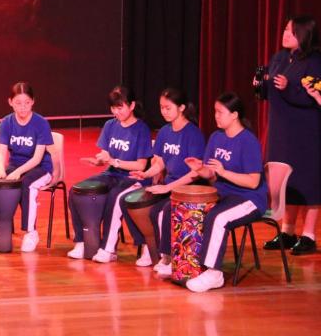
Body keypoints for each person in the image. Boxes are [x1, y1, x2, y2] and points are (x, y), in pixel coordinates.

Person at [184, 92, 267, 292]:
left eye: (220, 112)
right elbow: (212, 175)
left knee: (218, 218)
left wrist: (223, 172)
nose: (216, 116)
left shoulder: (248, 141)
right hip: (223, 193)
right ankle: (187, 263)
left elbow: (253, 182)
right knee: (189, 209)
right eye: (215, 111)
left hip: (249, 199)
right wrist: (200, 169)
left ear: (234, 115)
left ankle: (214, 273)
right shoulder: (216, 137)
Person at [257, 15, 321, 255]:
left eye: (291, 31)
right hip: (281, 129)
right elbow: (270, 90)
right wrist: (261, 84)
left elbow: (313, 96)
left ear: (303, 35)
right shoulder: (280, 58)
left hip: (306, 131)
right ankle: (287, 231)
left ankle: (309, 235)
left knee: (309, 182)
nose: (285, 34)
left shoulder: (315, 61)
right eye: (284, 29)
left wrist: (289, 88)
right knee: (287, 181)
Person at [67, 85, 151, 262]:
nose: (116, 112)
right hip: (112, 174)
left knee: (114, 198)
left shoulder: (141, 129)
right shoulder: (110, 125)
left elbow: (141, 165)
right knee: (75, 191)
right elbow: (106, 155)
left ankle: (108, 249)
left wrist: (114, 161)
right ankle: (81, 242)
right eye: (113, 108)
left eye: (120, 107)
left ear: (132, 105)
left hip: (133, 178)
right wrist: (98, 160)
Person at [129, 88, 205, 273]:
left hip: (188, 187)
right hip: (170, 185)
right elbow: (161, 162)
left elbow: (195, 173)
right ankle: (153, 251)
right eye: (161, 107)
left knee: (162, 211)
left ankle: (169, 258)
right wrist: (146, 174)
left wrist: (168, 187)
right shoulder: (164, 131)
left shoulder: (193, 134)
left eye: (168, 108)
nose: (164, 111)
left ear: (182, 108)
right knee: (136, 204)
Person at [0, 81, 54, 252]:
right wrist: (2, 171)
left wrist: (18, 172)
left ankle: (31, 232)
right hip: (15, 165)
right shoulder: (6, 122)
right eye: (18, 103)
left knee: (27, 185)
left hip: (41, 168)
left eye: (27, 102)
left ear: (33, 101)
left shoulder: (41, 123)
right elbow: (1, 153)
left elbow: (37, 158)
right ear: (10, 102)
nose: (23, 107)